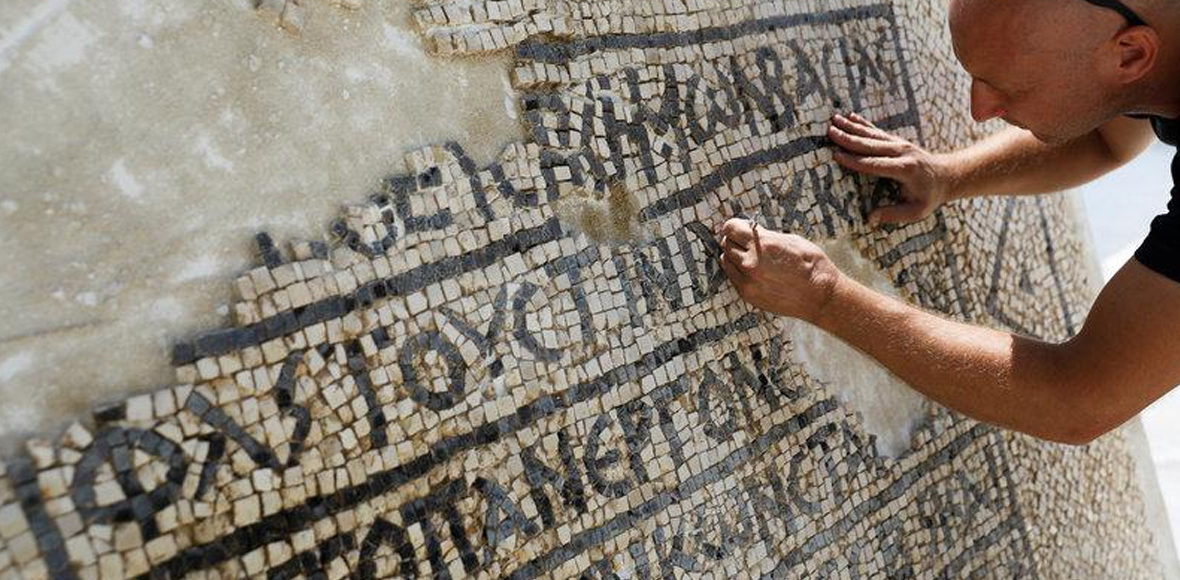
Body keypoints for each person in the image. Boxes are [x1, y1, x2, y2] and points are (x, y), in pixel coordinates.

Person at [717, 0, 1180, 445]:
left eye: (1012, 90)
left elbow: (1078, 397)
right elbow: (1106, 135)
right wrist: (950, 176)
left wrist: (824, 295)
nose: (981, 110)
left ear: (1132, 54)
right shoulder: (1141, 44)